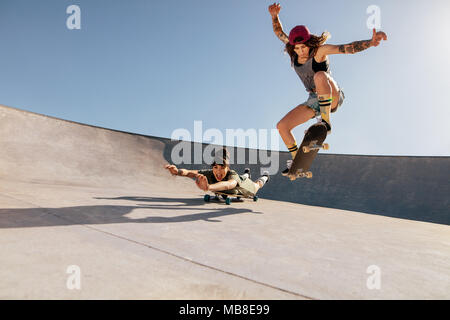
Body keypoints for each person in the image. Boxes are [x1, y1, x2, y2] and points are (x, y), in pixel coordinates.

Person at [268, 3, 387, 174]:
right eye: (297, 48)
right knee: (282, 126)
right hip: (314, 100)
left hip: (332, 93)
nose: (301, 52)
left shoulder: (320, 51)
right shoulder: (294, 50)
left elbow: (347, 48)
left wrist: (370, 42)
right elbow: (280, 33)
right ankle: (296, 161)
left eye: (304, 47)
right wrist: (274, 16)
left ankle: (326, 122)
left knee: (319, 76)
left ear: (310, 43)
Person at [164, 148, 270, 197]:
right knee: (242, 176)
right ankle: (246, 173)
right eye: (215, 167)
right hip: (238, 179)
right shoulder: (210, 172)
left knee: (257, 185)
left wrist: (208, 187)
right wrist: (177, 171)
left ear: (227, 168)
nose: (218, 171)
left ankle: (265, 176)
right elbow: (190, 173)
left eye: (222, 167)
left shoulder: (231, 173)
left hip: (246, 186)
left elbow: (229, 184)